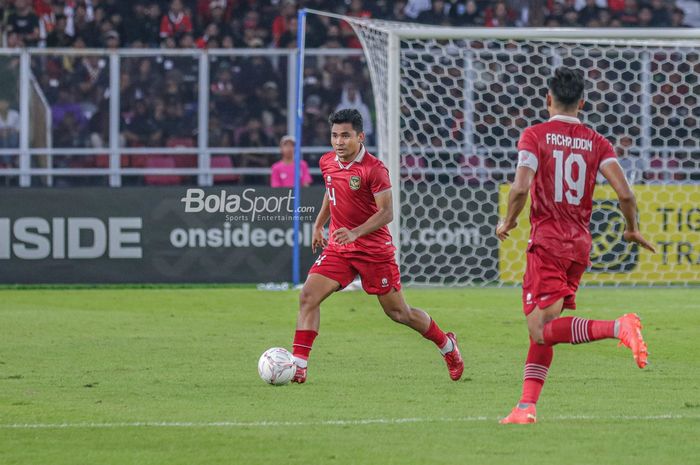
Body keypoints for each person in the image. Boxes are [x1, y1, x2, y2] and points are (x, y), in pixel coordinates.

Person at [496, 67, 656, 424]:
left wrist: (507, 221)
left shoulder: (534, 135)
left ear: (548, 99)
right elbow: (625, 193)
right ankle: (525, 407)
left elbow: (521, 188)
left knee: (539, 329)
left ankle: (619, 327)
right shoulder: (598, 142)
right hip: (580, 244)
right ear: (582, 102)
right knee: (544, 326)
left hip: (548, 241)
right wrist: (631, 229)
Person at [290, 108, 464, 384]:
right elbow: (331, 190)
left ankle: (447, 346)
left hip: (374, 251)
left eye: (345, 136)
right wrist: (318, 224)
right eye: (334, 135)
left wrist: (356, 233)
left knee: (399, 313)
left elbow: (387, 213)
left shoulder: (374, 169)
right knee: (308, 297)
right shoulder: (327, 162)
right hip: (340, 248)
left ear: (360, 137)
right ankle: (298, 365)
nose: (338, 142)